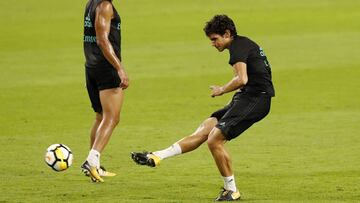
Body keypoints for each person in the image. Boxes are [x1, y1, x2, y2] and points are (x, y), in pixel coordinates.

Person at [131, 14, 274, 200]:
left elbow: (242, 79)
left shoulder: (238, 47)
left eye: (215, 39)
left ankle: (232, 190)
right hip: (246, 96)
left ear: (227, 33)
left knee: (214, 140)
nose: (213, 43)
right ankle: (157, 156)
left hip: (257, 99)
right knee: (205, 128)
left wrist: (222, 89)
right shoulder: (241, 44)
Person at [81, 0, 129, 183]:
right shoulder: (105, 6)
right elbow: (102, 39)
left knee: (100, 117)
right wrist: (119, 68)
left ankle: (94, 166)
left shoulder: (91, 3)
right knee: (112, 118)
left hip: (91, 65)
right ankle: (92, 160)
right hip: (106, 67)